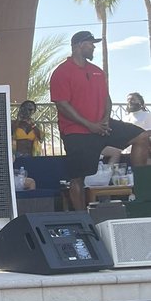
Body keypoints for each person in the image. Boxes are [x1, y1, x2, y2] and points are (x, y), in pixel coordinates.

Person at [49, 30, 151, 211]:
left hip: (103, 126)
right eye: (90, 44)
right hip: (77, 132)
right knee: (77, 178)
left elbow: (107, 99)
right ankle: (82, 218)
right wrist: (89, 125)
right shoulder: (61, 72)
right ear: (79, 45)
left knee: (142, 136)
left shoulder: (97, 72)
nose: (93, 47)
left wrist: (104, 120)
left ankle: (142, 194)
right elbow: (62, 105)